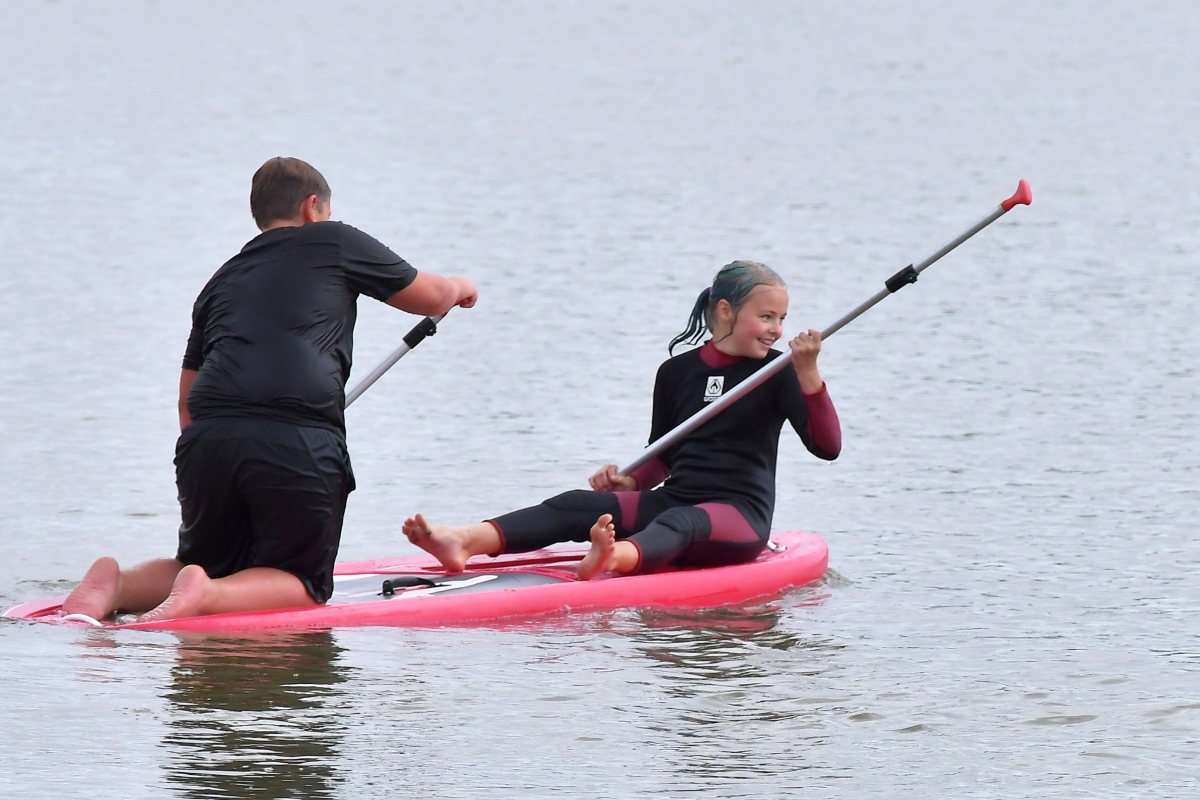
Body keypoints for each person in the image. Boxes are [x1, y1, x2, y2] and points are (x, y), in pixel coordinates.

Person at [63, 157, 478, 622]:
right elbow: (431, 296)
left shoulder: (222, 279)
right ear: (312, 207)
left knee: (205, 562)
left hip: (207, 440)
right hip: (294, 435)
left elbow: (185, 399)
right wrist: (459, 285)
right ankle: (206, 596)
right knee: (303, 583)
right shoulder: (334, 238)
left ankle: (118, 584)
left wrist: (216, 456)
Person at [403, 260, 839, 580]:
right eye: (766, 317)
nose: (777, 330)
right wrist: (630, 480)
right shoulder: (677, 372)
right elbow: (663, 456)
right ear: (726, 311)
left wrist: (808, 374)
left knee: (679, 523)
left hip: (738, 516)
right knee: (576, 504)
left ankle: (614, 557)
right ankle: (464, 540)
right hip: (677, 499)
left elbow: (827, 447)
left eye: (781, 319)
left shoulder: (780, 372)